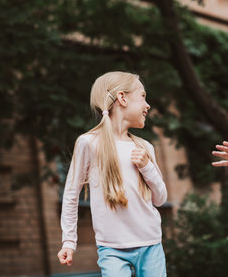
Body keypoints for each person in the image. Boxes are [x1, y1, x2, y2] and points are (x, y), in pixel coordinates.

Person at [57, 72, 167, 277]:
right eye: (143, 96)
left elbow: (160, 199)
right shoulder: (89, 143)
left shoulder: (145, 147)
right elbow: (71, 195)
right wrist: (69, 241)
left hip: (151, 244)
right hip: (111, 249)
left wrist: (146, 167)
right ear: (122, 98)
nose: (148, 105)